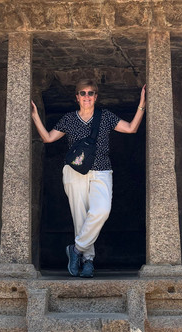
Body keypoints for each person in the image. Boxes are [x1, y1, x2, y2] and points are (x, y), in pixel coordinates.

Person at [31, 79, 146, 277]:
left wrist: (142, 104)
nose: (86, 96)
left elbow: (131, 128)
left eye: (90, 93)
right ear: (77, 97)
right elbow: (48, 138)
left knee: (101, 211)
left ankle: (76, 249)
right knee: (80, 218)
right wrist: (35, 116)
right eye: (82, 93)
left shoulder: (105, 116)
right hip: (74, 172)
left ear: (96, 96)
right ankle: (88, 261)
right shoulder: (69, 119)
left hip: (102, 171)